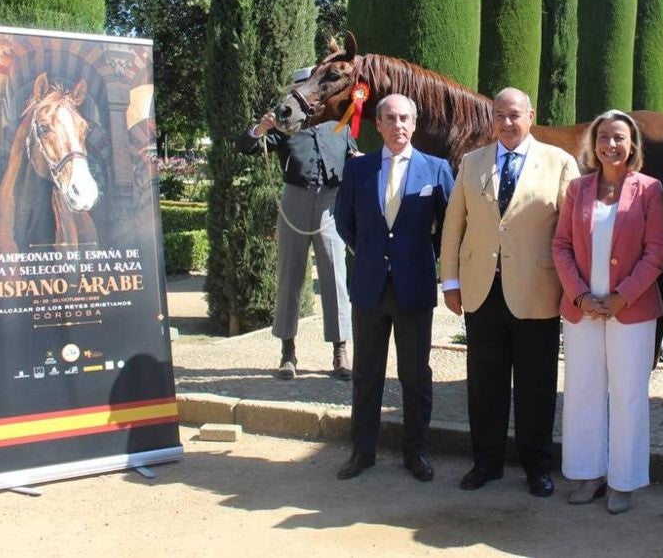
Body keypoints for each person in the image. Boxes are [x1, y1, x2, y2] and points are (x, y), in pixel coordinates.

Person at [440, 87, 579, 497]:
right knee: (485, 382)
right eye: (499, 114)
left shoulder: (559, 162)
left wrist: (574, 288)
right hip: (483, 289)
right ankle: (486, 462)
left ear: (530, 116)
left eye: (514, 114)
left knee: (537, 383)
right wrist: (450, 280)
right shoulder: (472, 162)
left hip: (538, 289)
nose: (506, 122)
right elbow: (453, 226)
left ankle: (537, 466)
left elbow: (570, 233)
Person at [333, 94, 454, 482]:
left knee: (415, 375)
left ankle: (415, 452)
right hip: (369, 287)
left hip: (413, 287)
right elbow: (343, 221)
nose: (398, 125)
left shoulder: (436, 169)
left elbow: (449, 228)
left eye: (404, 118)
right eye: (390, 118)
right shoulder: (359, 170)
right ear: (379, 125)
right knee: (366, 374)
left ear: (414, 124)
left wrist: (423, 255)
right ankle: (361, 452)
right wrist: (370, 251)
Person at [551, 110, 663, 515]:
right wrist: (580, 294)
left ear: (632, 143)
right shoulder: (578, 189)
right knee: (582, 390)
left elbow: (656, 252)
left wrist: (622, 296)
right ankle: (588, 473)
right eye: (603, 137)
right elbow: (561, 245)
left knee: (628, 394)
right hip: (582, 309)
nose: (610, 145)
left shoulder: (649, 189)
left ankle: (624, 480)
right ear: (593, 143)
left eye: (619, 137)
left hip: (630, 312)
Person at [235, 66, 357, 381]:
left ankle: (340, 352)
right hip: (295, 199)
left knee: (335, 276)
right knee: (290, 275)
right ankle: (287, 352)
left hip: (331, 203)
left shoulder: (339, 124)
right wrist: (259, 130)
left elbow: (354, 156)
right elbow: (245, 146)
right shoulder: (285, 122)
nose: (308, 95)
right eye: (302, 88)